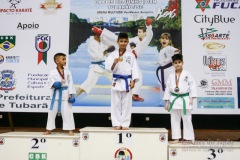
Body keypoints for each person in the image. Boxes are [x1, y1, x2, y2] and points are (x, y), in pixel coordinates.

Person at [94, 18, 153, 101]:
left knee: (138, 75)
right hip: (126, 51)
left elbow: (150, 35)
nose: (138, 33)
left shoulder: (145, 41)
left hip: (132, 57)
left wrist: (148, 26)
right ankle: (100, 32)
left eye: (140, 32)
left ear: (144, 33)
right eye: (138, 32)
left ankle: (134, 95)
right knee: (116, 39)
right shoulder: (133, 40)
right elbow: (119, 40)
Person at [105, 32, 139, 130]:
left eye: (125, 41)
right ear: (117, 42)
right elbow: (108, 68)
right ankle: (116, 123)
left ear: (128, 42)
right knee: (115, 103)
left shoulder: (131, 55)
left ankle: (125, 123)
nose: (123, 43)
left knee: (127, 103)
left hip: (127, 81)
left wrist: (134, 81)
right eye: (121, 41)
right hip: (116, 80)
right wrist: (114, 63)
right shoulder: (112, 55)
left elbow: (135, 68)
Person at [163, 54, 197, 144]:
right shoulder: (171, 76)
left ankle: (189, 137)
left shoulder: (187, 74)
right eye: (175, 63)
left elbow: (192, 86)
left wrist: (191, 98)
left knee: (187, 119)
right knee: (174, 119)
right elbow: (167, 89)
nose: (177, 64)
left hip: (185, 98)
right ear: (172, 64)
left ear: (182, 63)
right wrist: (166, 102)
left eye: (179, 62)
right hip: (174, 99)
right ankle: (176, 138)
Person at [75, 27, 115, 97]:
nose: (101, 35)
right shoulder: (91, 44)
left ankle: (125, 94)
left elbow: (111, 47)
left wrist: (108, 50)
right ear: (95, 34)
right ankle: (74, 96)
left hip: (105, 65)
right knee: (88, 82)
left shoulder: (103, 40)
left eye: (101, 34)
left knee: (115, 79)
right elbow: (97, 56)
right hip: (95, 67)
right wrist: (105, 51)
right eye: (99, 34)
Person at [44, 53, 76, 136]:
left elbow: (71, 83)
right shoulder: (52, 72)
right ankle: (49, 129)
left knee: (67, 112)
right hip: (56, 94)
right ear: (57, 61)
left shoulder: (68, 72)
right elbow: (49, 82)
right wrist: (54, 84)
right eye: (63, 59)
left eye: (65, 59)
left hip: (65, 93)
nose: (65, 61)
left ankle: (70, 129)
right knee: (51, 112)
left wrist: (71, 94)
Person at [156, 32, 180, 106]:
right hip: (162, 70)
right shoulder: (162, 49)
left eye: (166, 39)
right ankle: (164, 100)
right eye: (163, 38)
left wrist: (170, 60)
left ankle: (169, 100)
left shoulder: (169, 48)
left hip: (168, 70)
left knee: (168, 85)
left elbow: (177, 51)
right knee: (162, 85)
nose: (164, 40)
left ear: (169, 41)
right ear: (160, 40)